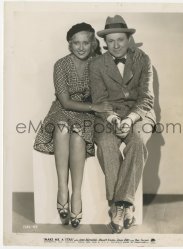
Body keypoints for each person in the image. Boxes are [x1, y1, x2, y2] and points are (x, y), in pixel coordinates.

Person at [34, 22, 112, 228]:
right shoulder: (60, 65)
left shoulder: (99, 63)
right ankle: (62, 188)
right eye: (75, 43)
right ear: (69, 44)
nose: (81, 47)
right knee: (61, 128)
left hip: (87, 114)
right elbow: (66, 101)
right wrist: (95, 106)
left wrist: (97, 106)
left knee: (78, 136)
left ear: (93, 42)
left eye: (85, 42)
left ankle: (76, 194)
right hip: (63, 109)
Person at [89, 15, 156, 233]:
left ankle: (120, 205)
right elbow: (99, 99)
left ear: (128, 40)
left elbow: (146, 98)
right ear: (105, 43)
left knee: (137, 141)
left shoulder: (143, 59)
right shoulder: (97, 64)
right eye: (111, 41)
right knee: (107, 145)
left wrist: (129, 119)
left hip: (140, 114)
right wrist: (113, 118)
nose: (116, 45)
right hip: (108, 116)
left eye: (120, 39)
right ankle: (124, 206)